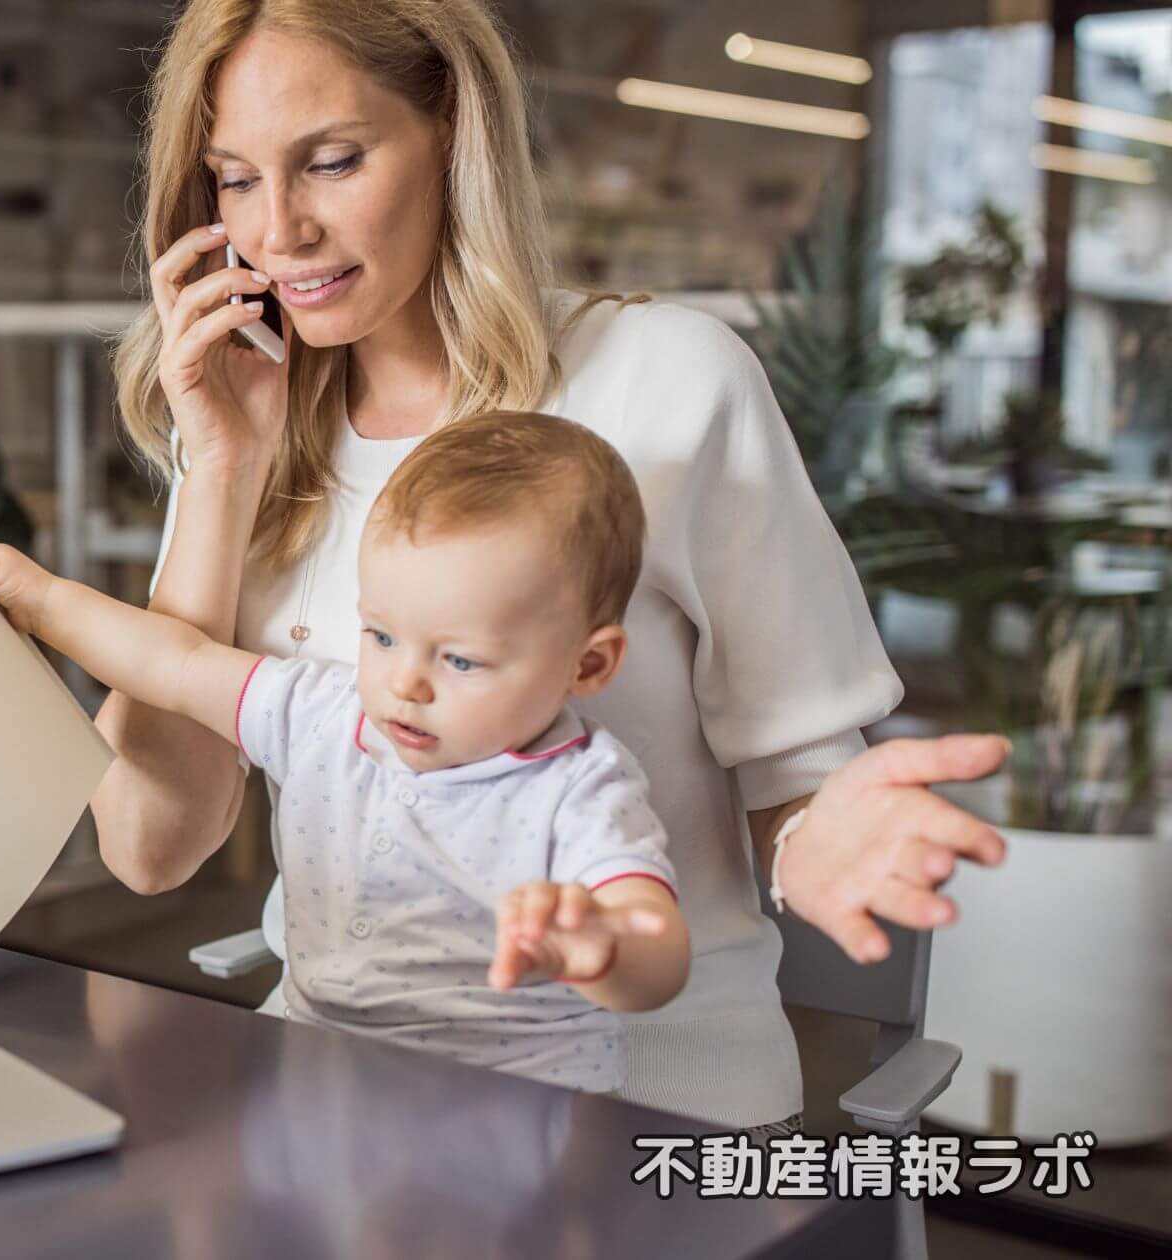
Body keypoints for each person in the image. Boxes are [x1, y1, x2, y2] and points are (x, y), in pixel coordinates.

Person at [92, 0, 1011, 1133]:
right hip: (338, 1101)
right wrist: (222, 470)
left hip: (641, 1104)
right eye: (233, 179)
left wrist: (821, 835)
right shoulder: (244, 422)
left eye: (329, 162)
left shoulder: (664, 384)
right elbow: (146, 851)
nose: (276, 232)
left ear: (451, 133)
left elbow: (796, 782)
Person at [0, 412, 692, 1094]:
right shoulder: (322, 711)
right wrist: (42, 601)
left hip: (511, 1105)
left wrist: (601, 947)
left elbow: (656, 949)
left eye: (460, 661)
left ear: (588, 666)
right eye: (380, 635)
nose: (405, 682)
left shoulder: (580, 789)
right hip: (319, 1076)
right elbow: (172, 663)